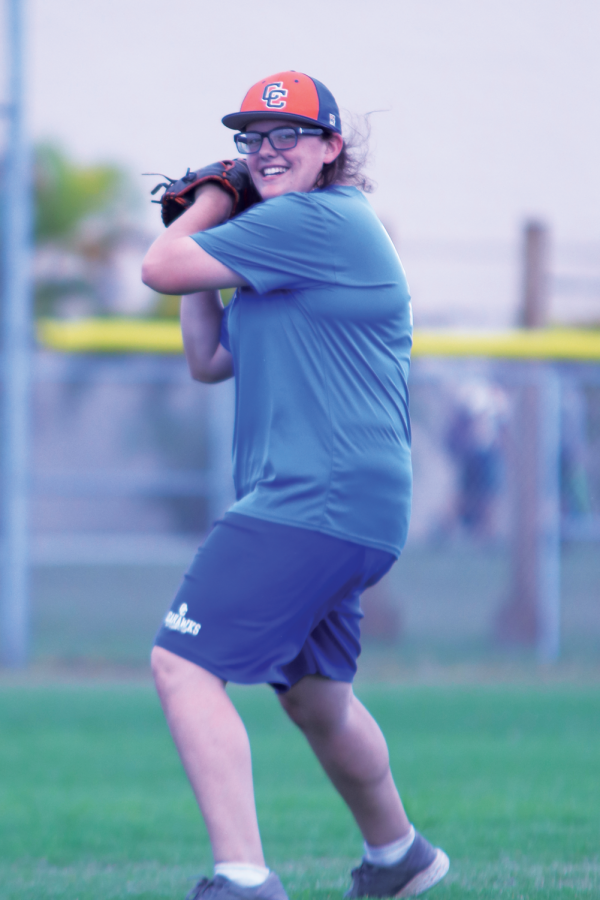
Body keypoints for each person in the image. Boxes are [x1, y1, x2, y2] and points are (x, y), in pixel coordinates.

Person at [142, 71, 449, 900]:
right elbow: (208, 360)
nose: (267, 151)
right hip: (341, 505)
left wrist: (206, 205)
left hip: (315, 497)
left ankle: (243, 880)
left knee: (181, 664)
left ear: (330, 149)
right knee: (315, 699)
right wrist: (207, 222)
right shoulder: (290, 242)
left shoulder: (316, 219)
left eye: (287, 136)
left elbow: (160, 268)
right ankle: (400, 857)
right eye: (252, 139)